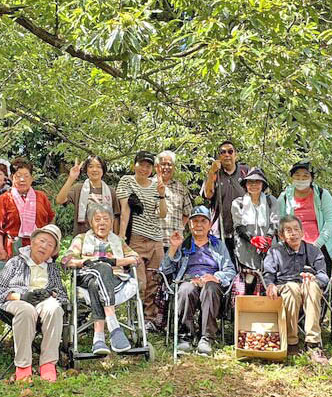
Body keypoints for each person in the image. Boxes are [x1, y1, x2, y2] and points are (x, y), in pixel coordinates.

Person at [0, 224, 67, 382]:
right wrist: (20, 297)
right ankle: (23, 365)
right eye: (42, 241)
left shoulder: (52, 268)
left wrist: (49, 293)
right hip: (17, 300)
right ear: (32, 242)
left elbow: (62, 295)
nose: (44, 246)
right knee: (26, 310)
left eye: (50, 245)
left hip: (42, 301)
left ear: (53, 251)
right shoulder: (15, 262)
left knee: (55, 309)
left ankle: (47, 364)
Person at [62, 204, 140, 355]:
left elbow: (136, 258)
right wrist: (84, 262)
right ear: (91, 223)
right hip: (86, 275)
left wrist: (115, 262)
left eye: (106, 219)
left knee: (96, 282)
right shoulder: (82, 239)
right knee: (101, 269)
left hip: (113, 280)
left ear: (112, 222)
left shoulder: (117, 240)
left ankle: (98, 340)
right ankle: (113, 325)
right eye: (97, 219)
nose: (102, 223)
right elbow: (66, 260)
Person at [161, 206, 236, 356]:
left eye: (203, 221)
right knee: (185, 289)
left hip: (211, 283)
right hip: (189, 281)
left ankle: (206, 338)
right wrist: (173, 248)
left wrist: (216, 277)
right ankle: (185, 337)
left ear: (209, 225)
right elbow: (164, 270)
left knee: (210, 288)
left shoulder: (218, 245)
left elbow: (230, 270)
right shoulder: (183, 244)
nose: (199, 224)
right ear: (190, 225)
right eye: (195, 221)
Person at [263, 215, 329, 364]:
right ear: (281, 235)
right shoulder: (274, 251)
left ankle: (313, 344)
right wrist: (270, 285)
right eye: (288, 230)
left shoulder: (313, 250)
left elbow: (324, 276)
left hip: (307, 286)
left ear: (302, 232)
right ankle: (291, 341)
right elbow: (268, 275)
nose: (293, 233)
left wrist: (314, 279)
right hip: (284, 287)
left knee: (312, 286)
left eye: (296, 229)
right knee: (292, 287)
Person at [116, 151, 167, 332]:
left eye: (148, 166)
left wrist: (161, 195)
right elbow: (125, 211)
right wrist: (122, 240)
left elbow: (162, 214)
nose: (144, 169)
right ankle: (136, 317)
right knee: (140, 281)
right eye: (141, 164)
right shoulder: (127, 181)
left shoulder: (156, 185)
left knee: (155, 280)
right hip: (136, 238)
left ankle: (150, 319)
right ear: (134, 165)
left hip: (156, 239)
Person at [276, 161, 332, 277]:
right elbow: (279, 222)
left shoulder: (322, 194)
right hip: (293, 245)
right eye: (297, 175)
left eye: (305, 175)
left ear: (312, 178)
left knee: (321, 281)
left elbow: (331, 221)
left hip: (321, 244)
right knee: (294, 280)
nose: (301, 178)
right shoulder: (284, 197)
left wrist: (317, 244)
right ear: (292, 177)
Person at [0, 157, 55, 261]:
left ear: (32, 178)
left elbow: (51, 221)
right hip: (14, 249)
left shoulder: (41, 197)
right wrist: (0, 252)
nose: (22, 179)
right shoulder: (4, 199)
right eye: (18, 176)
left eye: (26, 176)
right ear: (11, 177)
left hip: (40, 249)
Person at [202, 140, 250, 263]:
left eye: (230, 151)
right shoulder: (214, 173)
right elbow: (208, 194)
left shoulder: (246, 171)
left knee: (244, 267)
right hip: (220, 230)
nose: (227, 155)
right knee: (223, 266)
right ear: (219, 157)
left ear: (236, 155)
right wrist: (212, 172)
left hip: (244, 230)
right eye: (223, 152)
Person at [55, 155, 120, 236]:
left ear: (103, 170)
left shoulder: (111, 192)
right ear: (86, 170)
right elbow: (59, 200)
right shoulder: (78, 188)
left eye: (99, 166)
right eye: (91, 166)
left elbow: (115, 217)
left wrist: (116, 239)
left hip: (105, 240)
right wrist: (71, 178)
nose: (95, 169)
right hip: (82, 239)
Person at [231, 167, 279, 274]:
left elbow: (274, 222)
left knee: (268, 279)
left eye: (257, 182)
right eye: (250, 182)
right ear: (245, 185)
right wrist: (253, 239)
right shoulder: (238, 203)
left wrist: (268, 238)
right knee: (249, 283)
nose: (254, 185)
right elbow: (238, 226)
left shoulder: (271, 201)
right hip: (245, 251)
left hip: (269, 249)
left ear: (263, 184)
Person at [156, 150, 193, 250]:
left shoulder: (180, 188)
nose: (166, 167)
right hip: (154, 242)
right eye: (163, 164)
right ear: (157, 166)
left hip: (175, 243)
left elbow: (188, 212)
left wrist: (180, 228)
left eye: (169, 164)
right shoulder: (149, 184)